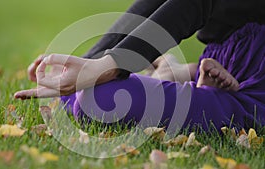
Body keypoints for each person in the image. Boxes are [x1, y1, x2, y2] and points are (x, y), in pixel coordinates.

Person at [15, 0, 265, 132]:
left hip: (253, 96)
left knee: (99, 98)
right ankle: (180, 75)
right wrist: (94, 61)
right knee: (74, 93)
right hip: (221, 65)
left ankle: (177, 75)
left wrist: (112, 66)